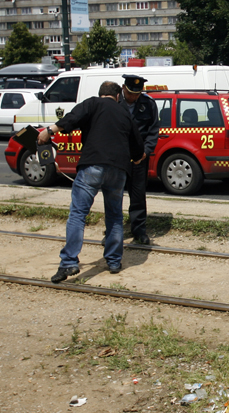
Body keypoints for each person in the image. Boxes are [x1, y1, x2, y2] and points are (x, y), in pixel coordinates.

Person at [38, 81, 144, 283]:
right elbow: (138, 149)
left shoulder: (92, 104)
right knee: (114, 216)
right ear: (117, 96)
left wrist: (49, 132)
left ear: (100, 93)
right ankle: (114, 261)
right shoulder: (124, 113)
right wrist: (137, 157)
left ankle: (69, 262)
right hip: (118, 171)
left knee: (78, 214)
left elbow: (71, 119)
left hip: (92, 165)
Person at [119, 74, 160, 245]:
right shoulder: (114, 104)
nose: (134, 96)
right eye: (131, 93)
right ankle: (114, 230)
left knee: (138, 196)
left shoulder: (148, 104)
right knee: (114, 195)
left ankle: (139, 231)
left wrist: (146, 151)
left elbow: (153, 131)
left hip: (139, 158)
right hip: (118, 158)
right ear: (123, 89)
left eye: (137, 93)